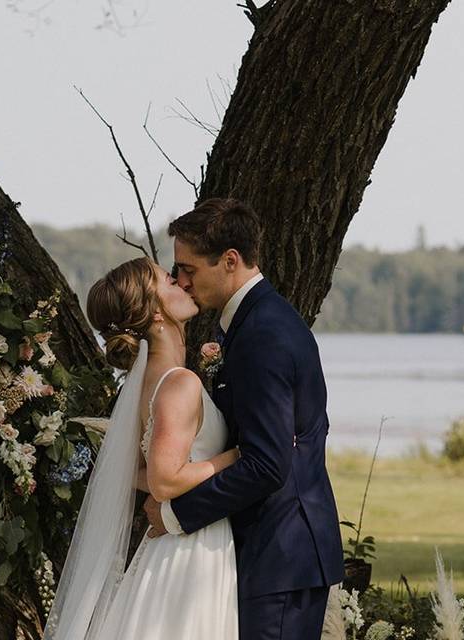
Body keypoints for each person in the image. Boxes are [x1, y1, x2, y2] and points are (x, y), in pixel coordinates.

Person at [143, 197, 345, 640]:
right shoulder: (252, 323)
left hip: (280, 555)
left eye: (189, 269)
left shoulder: (263, 335)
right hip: (271, 554)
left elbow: (268, 464)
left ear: (230, 261)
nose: (181, 280)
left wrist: (176, 515)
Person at [43, 255, 240, 640]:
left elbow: (136, 472)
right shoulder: (177, 383)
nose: (182, 283)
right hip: (189, 551)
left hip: (179, 540)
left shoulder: (149, 381)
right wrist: (234, 457)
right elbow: (165, 480)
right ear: (155, 314)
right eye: (169, 280)